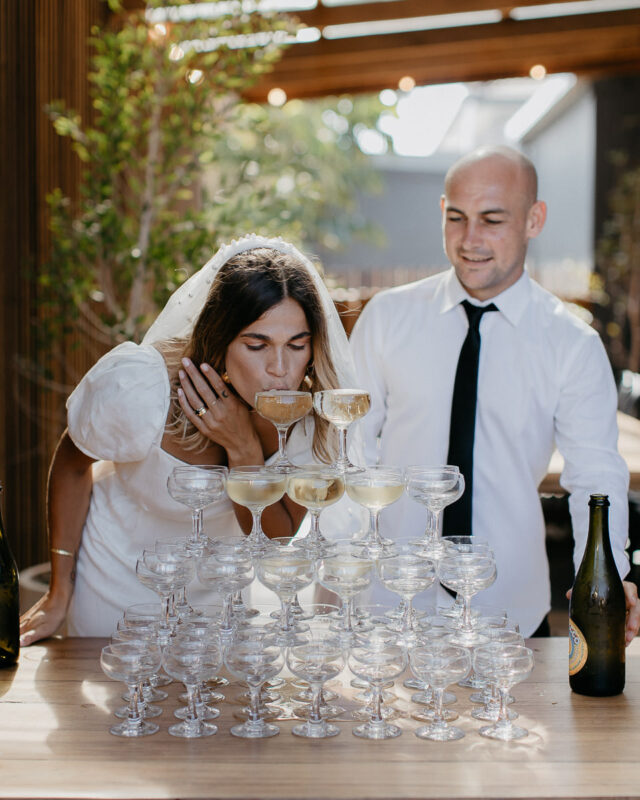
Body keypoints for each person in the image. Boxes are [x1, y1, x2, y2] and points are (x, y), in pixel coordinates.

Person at [350, 145, 640, 640]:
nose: (470, 239)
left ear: (534, 219)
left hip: (512, 614)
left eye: (492, 219)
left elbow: (595, 474)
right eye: (457, 217)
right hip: (389, 610)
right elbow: (348, 454)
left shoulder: (571, 344)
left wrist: (607, 575)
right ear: (442, 211)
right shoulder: (385, 318)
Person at [20, 235, 359, 642]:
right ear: (220, 338)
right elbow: (74, 465)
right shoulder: (143, 383)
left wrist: (243, 449)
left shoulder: (307, 413)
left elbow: (278, 537)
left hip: (218, 603)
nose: (280, 369)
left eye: (297, 345)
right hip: (113, 585)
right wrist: (60, 591)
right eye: (257, 344)